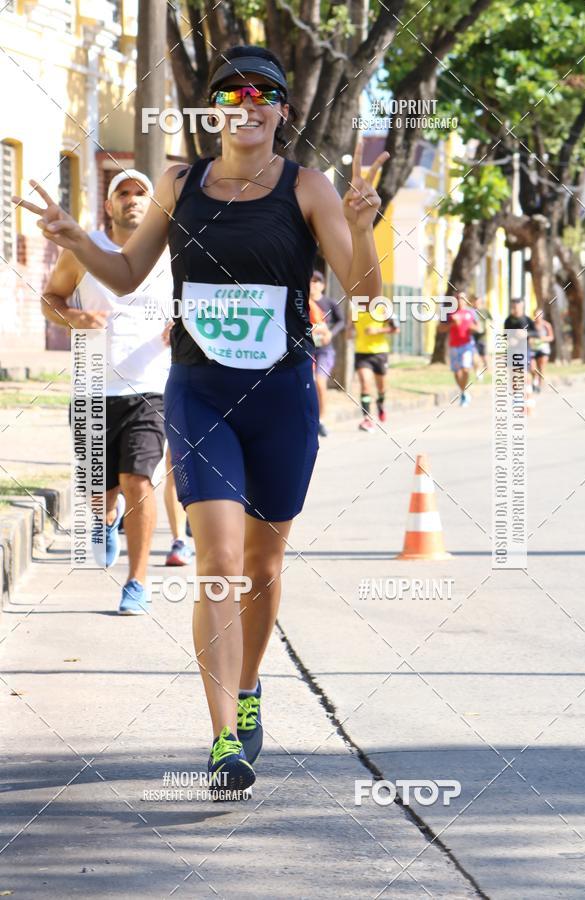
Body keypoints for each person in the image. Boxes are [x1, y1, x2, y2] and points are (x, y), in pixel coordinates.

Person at [15, 45, 388, 799]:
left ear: (283, 109)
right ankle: (224, 737)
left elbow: (368, 295)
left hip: (281, 395)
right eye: (232, 92)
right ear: (213, 108)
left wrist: (362, 227)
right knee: (217, 564)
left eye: (264, 92)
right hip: (197, 391)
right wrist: (77, 239)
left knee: (264, 567)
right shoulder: (180, 183)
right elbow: (125, 273)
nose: (247, 103)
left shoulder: (308, 187)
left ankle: (249, 688)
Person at [39, 169, 187, 613]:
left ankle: (137, 583)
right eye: (122, 193)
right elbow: (51, 298)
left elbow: (195, 302)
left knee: (139, 480)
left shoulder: (173, 253)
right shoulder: (85, 249)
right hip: (91, 389)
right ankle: (105, 521)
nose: (132, 200)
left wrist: (181, 324)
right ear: (109, 204)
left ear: (153, 203)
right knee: (99, 493)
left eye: (141, 193)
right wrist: (74, 318)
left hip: (150, 386)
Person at [351, 305, 398, 432]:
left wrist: (378, 330)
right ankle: (367, 419)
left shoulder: (382, 307)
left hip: (380, 353)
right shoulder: (355, 308)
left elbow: (396, 329)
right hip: (361, 353)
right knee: (365, 384)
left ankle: (380, 402)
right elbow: (350, 328)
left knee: (381, 388)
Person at [309, 270, 345, 436]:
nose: (313, 284)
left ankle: (321, 420)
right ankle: (309, 418)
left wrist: (329, 332)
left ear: (323, 285)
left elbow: (341, 321)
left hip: (325, 351)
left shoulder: (329, 303)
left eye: (317, 281)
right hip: (307, 350)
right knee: (307, 384)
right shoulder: (302, 301)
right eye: (311, 281)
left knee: (320, 383)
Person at [439, 291, 478, 406]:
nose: (460, 301)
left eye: (463, 298)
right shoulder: (449, 314)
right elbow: (440, 329)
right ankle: (463, 392)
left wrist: (472, 328)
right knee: (457, 373)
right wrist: (452, 324)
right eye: (458, 298)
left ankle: (463, 392)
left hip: (466, 345)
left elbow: (478, 327)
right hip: (454, 345)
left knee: (466, 369)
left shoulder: (471, 313)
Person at [503, 297, 538, 412]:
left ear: (522, 306)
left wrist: (525, 333)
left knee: (523, 375)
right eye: (513, 307)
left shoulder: (527, 320)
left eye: (517, 306)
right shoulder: (508, 320)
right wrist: (509, 340)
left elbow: (536, 332)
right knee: (513, 376)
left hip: (524, 350)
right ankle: (517, 398)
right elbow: (505, 335)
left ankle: (528, 399)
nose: (515, 309)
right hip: (511, 351)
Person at [530, 306, 554, 392]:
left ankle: (539, 386)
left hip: (543, 349)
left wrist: (543, 339)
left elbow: (551, 337)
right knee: (532, 368)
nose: (538, 317)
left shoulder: (547, 325)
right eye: (536, 315)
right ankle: (535, 380)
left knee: (541, 368)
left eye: (539, 315)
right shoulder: (531, 325)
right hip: (533, 349)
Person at [472, 295, 492, 376]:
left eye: (478, 302)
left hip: (482, 336)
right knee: (475, 354)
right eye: (475, 302)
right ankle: (478, 371)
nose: (476, 304)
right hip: (473, 336)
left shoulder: (484, 311)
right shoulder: (471, 311)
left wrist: (489, 328)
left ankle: (489, 371)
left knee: (484, 355)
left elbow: (491, 320)